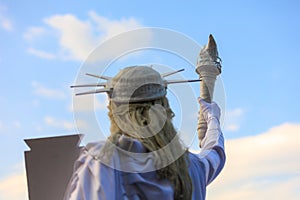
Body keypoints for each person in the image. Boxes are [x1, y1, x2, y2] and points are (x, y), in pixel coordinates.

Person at [64, 66, 225, 200]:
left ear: (115, 113)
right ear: (165, 109)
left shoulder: (102, 162)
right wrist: (212, 119)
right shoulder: (192, 166)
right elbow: (214, 154)